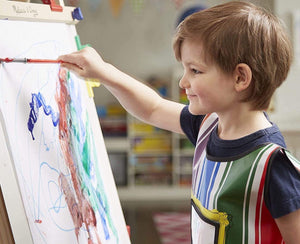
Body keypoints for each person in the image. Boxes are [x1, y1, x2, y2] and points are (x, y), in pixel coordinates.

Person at [59, 1, 300, 243]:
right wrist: (104, 71)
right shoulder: (207, 126)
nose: (183, 82)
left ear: (240, 77)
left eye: (195, 70)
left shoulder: (274, 166)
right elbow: (153, 108)